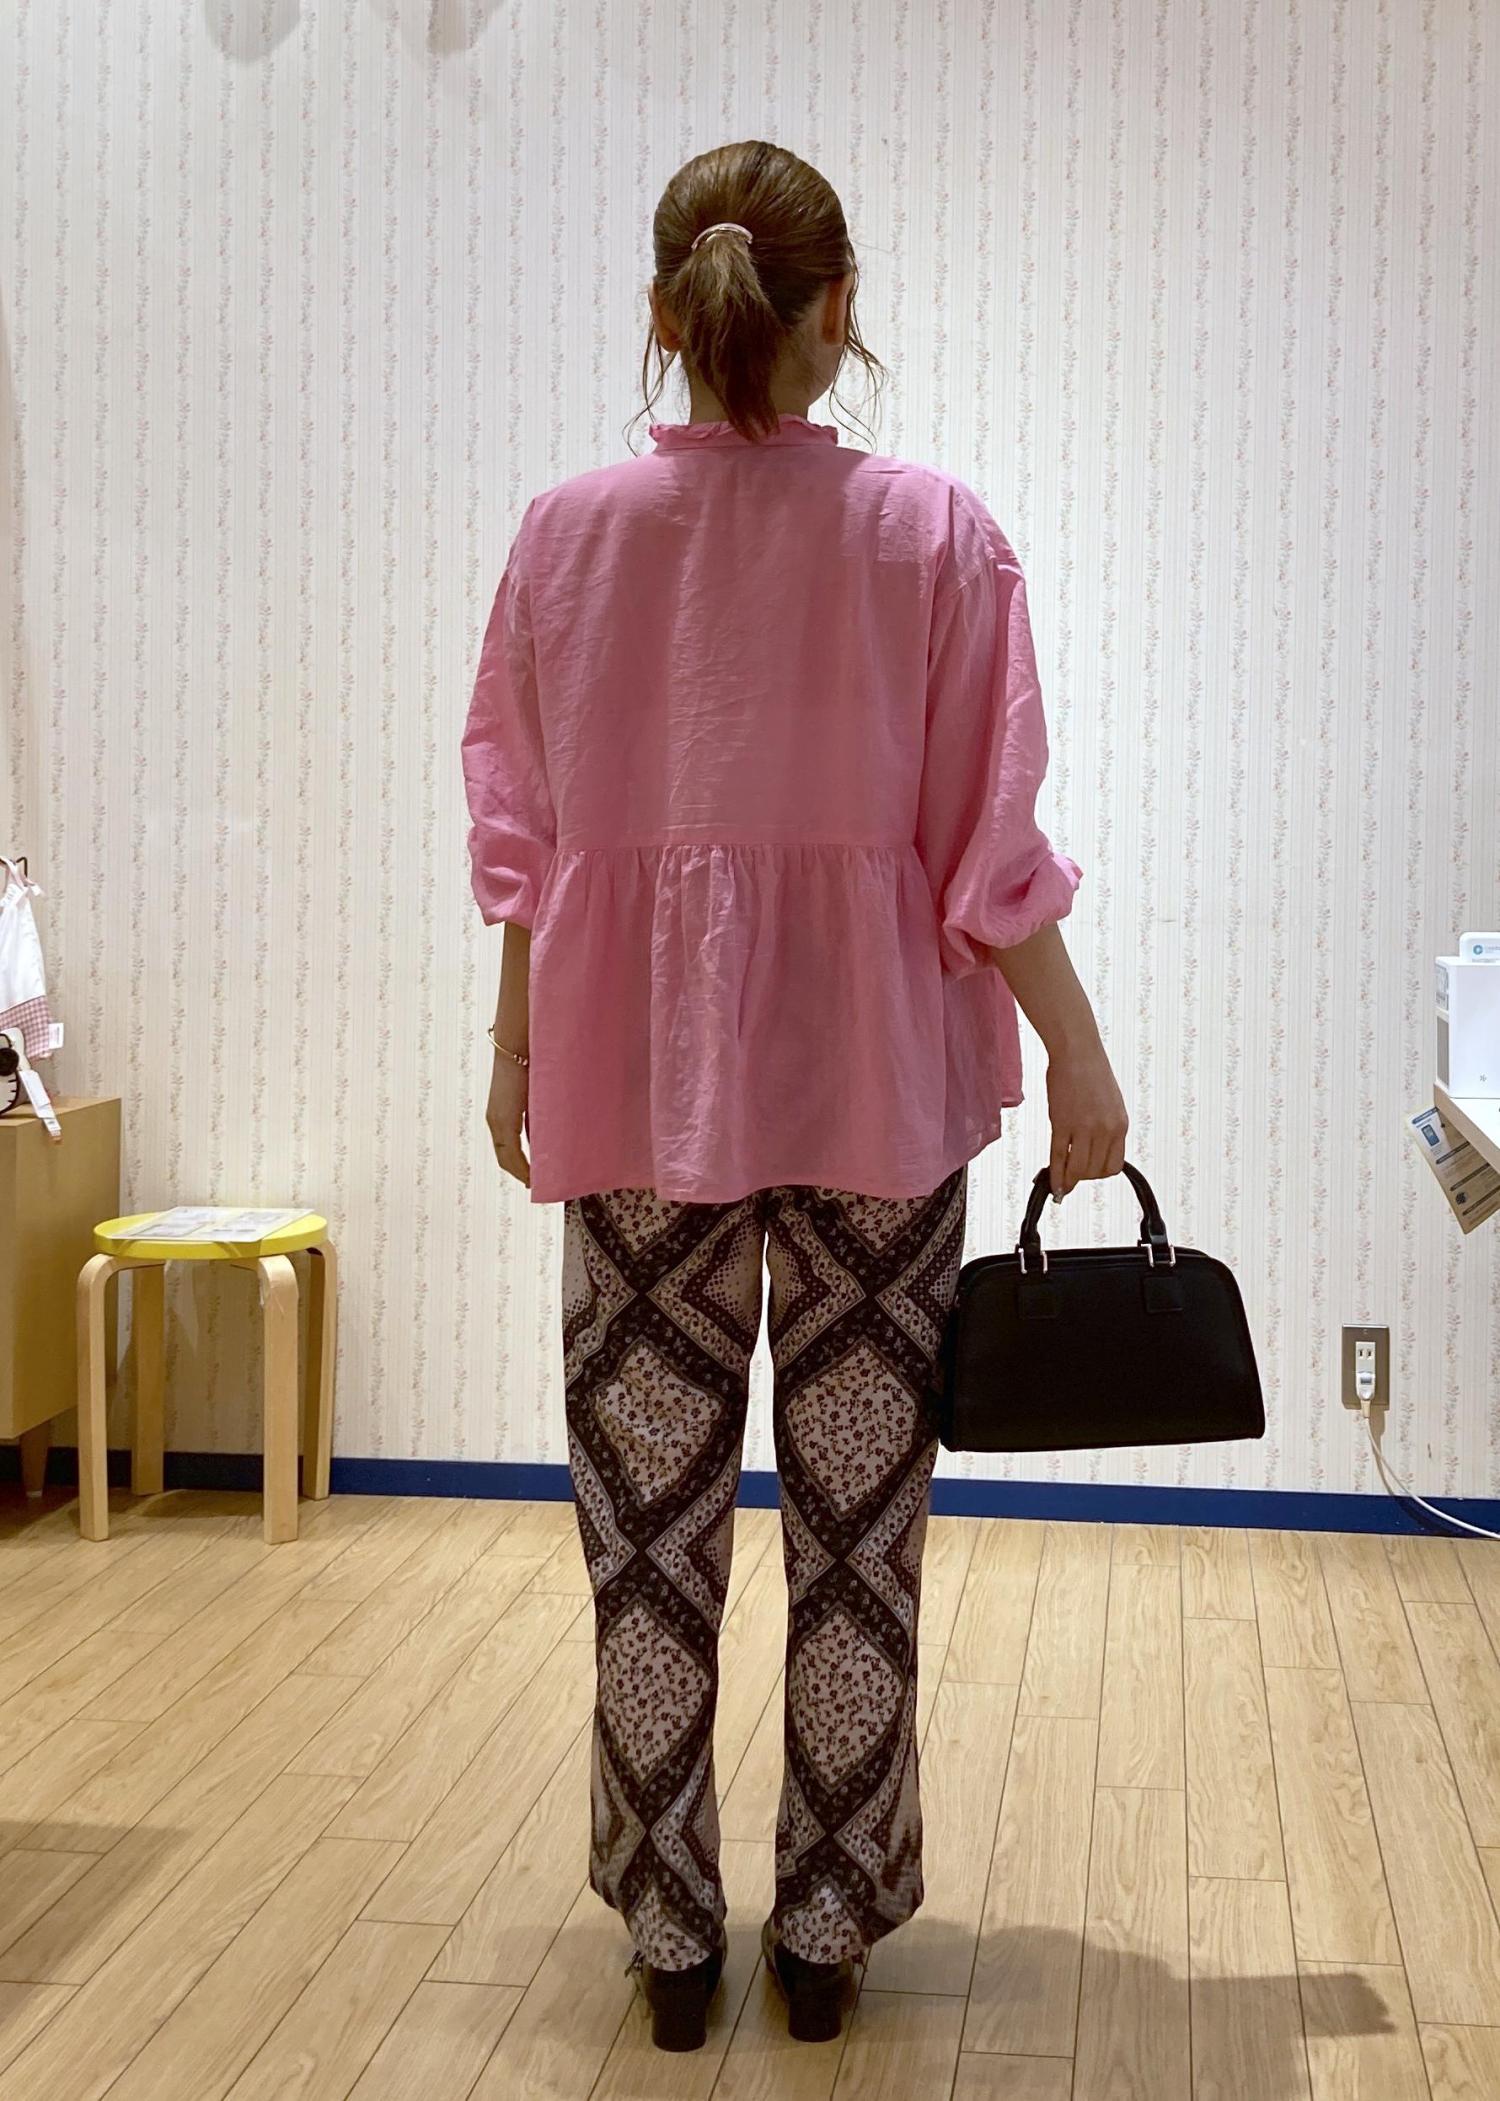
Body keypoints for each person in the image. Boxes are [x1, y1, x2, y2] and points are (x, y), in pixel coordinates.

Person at [461, 138, 1128, 2054]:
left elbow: (522, 840)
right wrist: (1077, 1047)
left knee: (644, 1539)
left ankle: (673, 1938)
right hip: (876, 1096)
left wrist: (516, 1045)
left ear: (666, 316)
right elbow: (988, 846)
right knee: (859, 1534)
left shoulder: (563, 536)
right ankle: (823, 1932)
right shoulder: (936, 535)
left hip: (632, 1087)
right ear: (841, 310)